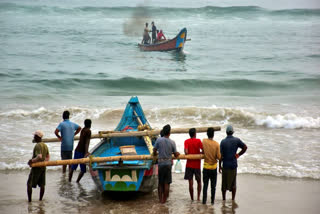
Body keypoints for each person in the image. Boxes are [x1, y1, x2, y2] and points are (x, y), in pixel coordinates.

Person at [219, 125, 247, 201]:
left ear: (226, 132)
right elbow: (245, 147)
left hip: (225, 165)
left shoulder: (223, 142)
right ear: (232, 132)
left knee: (224, 184)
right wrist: (238, 154)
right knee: (233, 183)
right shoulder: (237, 140)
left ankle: (224, 199)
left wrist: (219, 166)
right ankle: (233, 199)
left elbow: (220, 156)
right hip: (233, 164)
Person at [153, 124, 180, 204]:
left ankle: (160, 200)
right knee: (166, 183)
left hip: (161, 163)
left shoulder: (159, 140)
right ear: (169, 133)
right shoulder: (172, 142)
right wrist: (177, 153)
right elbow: (175, 154)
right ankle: (164, 201)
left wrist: (155, 154)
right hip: (168, 163)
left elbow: (154, 150)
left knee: (160, 183)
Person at [27, 130, 50, 202]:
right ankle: (40, 200)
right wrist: (44, 162)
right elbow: (48, 156)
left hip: (36, 167)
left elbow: (39, 156)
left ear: (37, 137)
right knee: (42, 184)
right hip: (43, 167)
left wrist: (32, 161)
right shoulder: (44, 145)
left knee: (29, 184)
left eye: (34, 136)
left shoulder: (37, 145)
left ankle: (29, 200)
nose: (33, 137)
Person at [202, 127, 221, 205]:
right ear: (213, 135)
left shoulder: (204, 141)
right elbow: (218, 157)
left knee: (205, 185)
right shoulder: (216, 144)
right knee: (213, 186)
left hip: (206, 167)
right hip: (213, 168)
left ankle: (204, 201)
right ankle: (212, 201)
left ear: (207, 134)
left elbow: (202, 150)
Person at [184, 128, 203, 201]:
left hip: (189, 164)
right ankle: (198, 198)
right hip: (197, 164)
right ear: (195, 134)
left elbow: (186, 152)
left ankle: (192, 198)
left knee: (190, 183)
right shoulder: (198, 141)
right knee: (199, 181)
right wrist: (200, 153)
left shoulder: (186, 141)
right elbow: (203, 150)